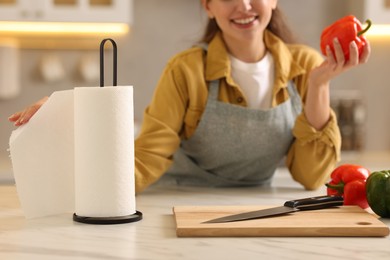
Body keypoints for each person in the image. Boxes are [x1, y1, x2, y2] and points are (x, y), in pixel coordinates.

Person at [9, 0, 370, 194]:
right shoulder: (186, 70)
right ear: (208, 6)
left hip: (255, 206)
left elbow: (311, 177)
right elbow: (147, 156)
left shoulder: (305, 65)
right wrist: (74, 116)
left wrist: (320, 85)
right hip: (178, 199)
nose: (244, 6)